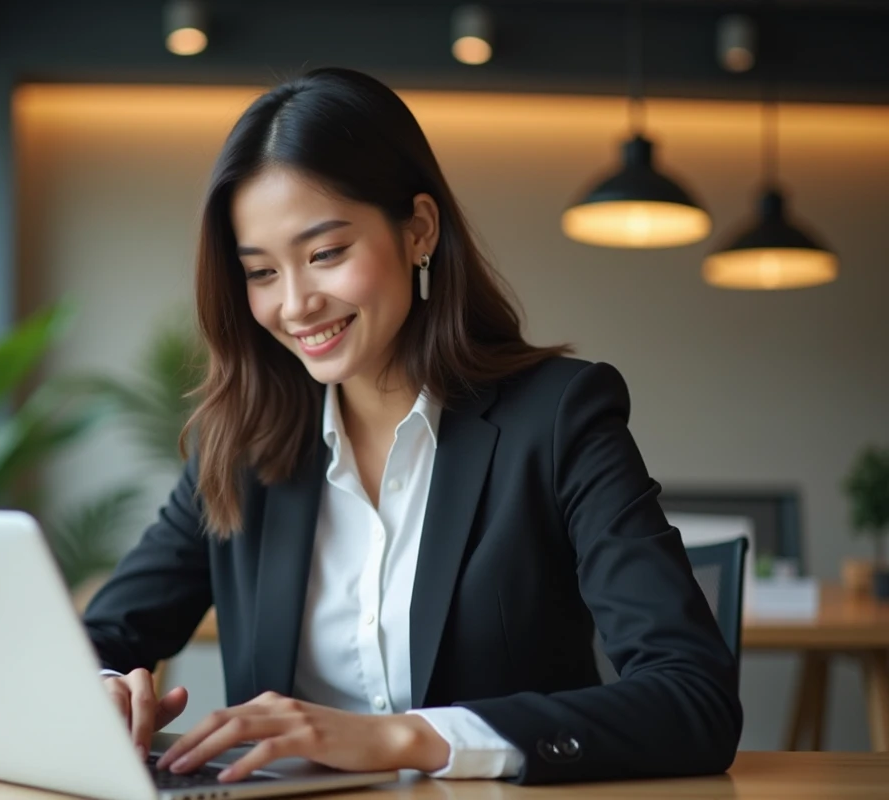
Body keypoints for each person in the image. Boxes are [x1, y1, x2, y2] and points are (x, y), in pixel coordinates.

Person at [82, 67, 741, 786]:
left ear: (419, 229)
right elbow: (101, 637)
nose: (295, 304)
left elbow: (693, 698)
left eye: (325, 254)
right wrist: (104, 686)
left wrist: (408, 737)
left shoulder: (559, 419)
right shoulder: (241, 443)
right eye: (262, 273)